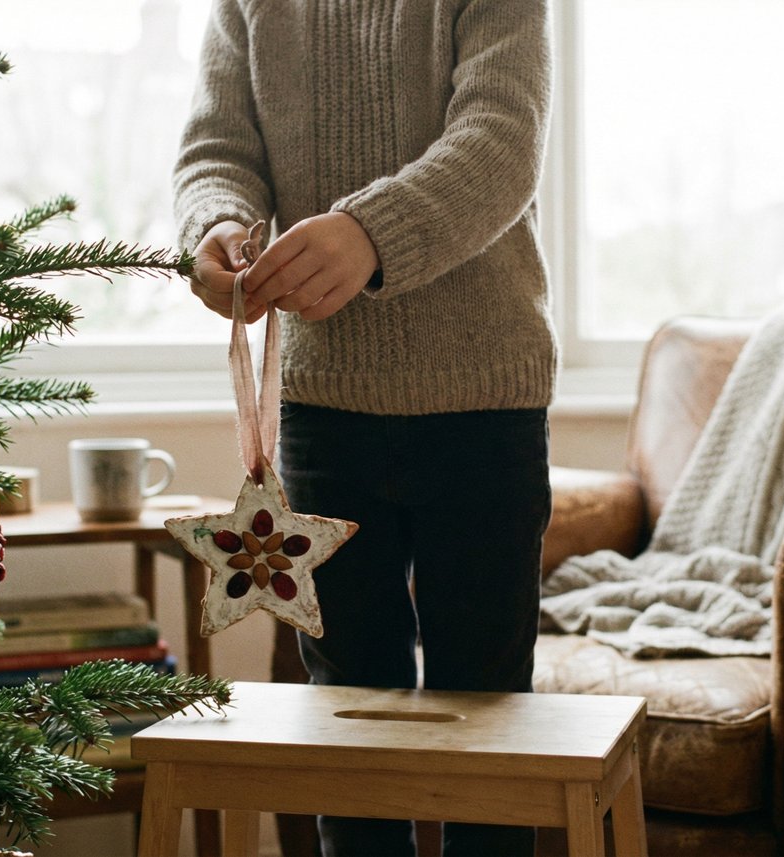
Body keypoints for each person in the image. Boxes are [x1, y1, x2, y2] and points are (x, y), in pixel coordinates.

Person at [173, 2, 555, 855]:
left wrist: (370, 233)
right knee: (346, 714)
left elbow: (502, 141)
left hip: (485, 399)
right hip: (322, 404)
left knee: (490, 711)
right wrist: (216, 224)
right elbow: (215, 149)